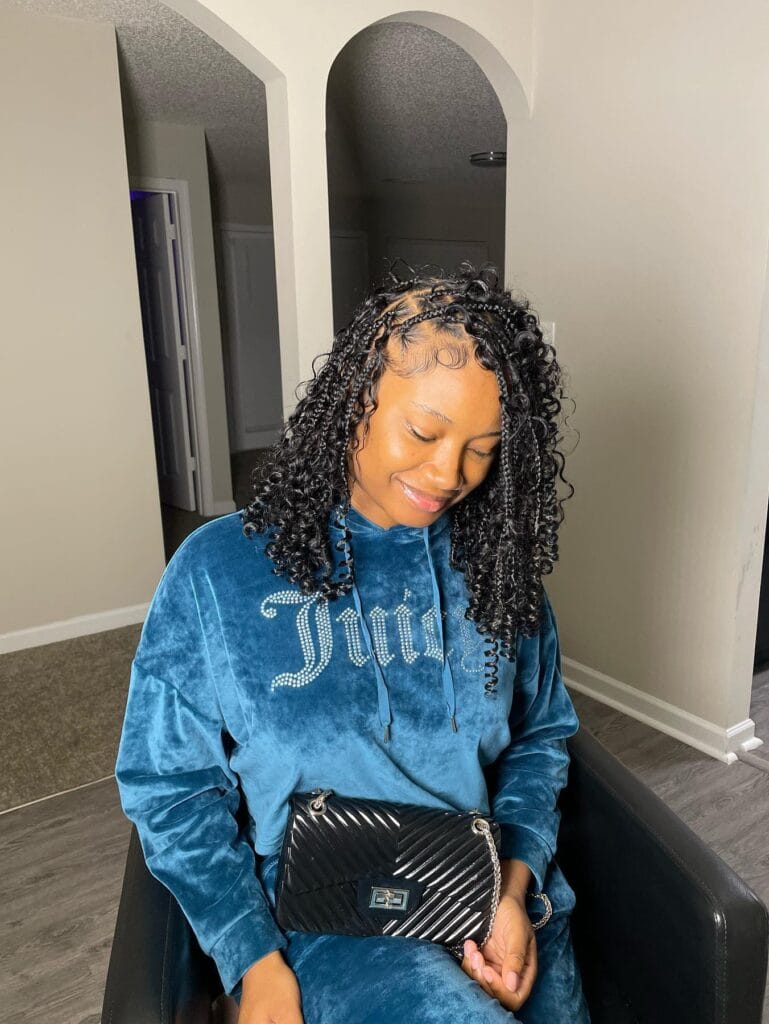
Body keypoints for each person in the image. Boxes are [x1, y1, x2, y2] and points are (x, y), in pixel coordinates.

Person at [115, 261, 591, 1024]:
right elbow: (169, 788)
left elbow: (539, 740)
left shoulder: (499, 571)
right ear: (356, 398)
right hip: (325, 919)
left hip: (487, 900)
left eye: (482, 447)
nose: (449, 473)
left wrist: (513, 887)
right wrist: (254, 963)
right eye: (424, 431)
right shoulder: (218, 570)